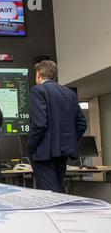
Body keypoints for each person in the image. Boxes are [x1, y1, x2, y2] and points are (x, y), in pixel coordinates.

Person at [27, 60, 87, 192]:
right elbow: (82, 124)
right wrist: (68, 141)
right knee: (58, 190)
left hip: (43, 153)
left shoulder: (38, 90)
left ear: (38, 74)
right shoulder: (69, 93)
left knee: (51, 195)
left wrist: (30, 147)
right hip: (64, 152)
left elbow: (39, 124)